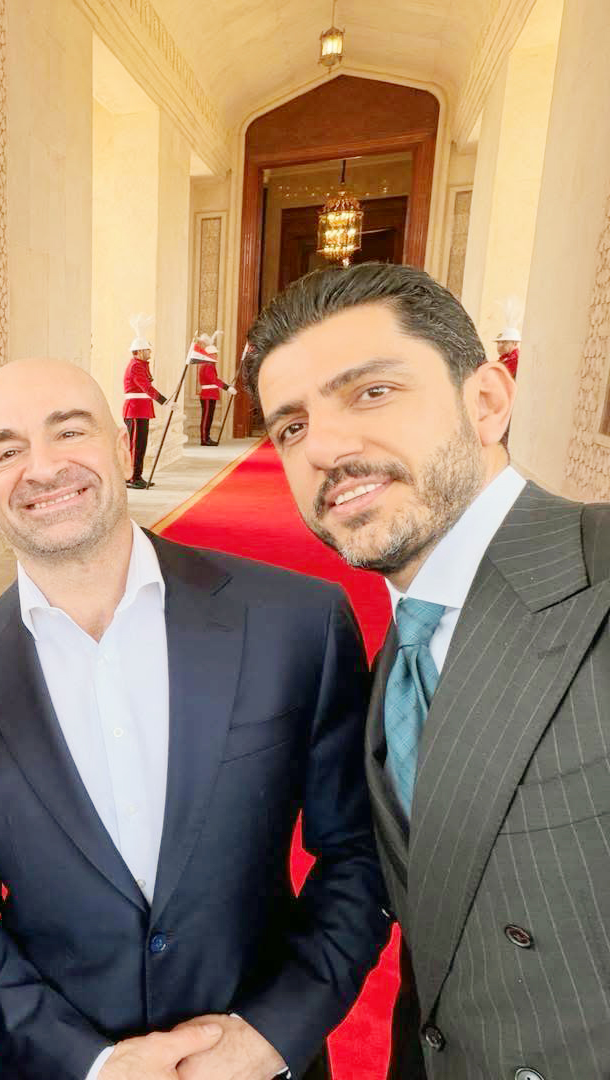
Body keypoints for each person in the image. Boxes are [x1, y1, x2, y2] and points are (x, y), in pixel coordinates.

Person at [0, 357, 389, 1080]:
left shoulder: (296, 621)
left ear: (116, 443)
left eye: (69, 431)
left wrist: (270, 1036)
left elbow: (359, 854)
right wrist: (93, 1064)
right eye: (6, 452)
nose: (43, 467)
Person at [246, 262, 610, 1080]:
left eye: (371, 392)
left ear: (486, 402)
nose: (325, 448)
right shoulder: (391, 662)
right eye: (292, 427)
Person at [122, 318, 167, 488]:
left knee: (140, 445)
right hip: (135, 410)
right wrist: (164, 401)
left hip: (140, 410)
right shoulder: (136, 366)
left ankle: (136, 476)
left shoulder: (140, 365)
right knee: (136, 446)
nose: (150, 352)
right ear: (140, 351)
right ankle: (133, 478)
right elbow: (146, 387)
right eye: (148, 350)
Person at [191, 333, 236, 446]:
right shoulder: (208, 365)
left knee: (209, 417)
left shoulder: (209, 365)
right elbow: (214, 380)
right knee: (206, 417)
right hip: (207, 394)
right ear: (210, 355)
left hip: (211, 394)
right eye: (214, 354)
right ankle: (204, 439)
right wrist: (227, 388)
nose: (216, 356)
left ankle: (207, 438)